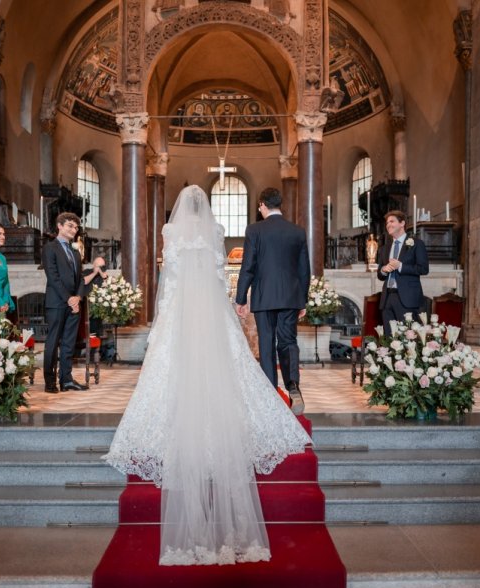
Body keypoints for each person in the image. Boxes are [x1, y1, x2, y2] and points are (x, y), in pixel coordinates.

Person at [104, 185, 310, 566]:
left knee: (171, 367)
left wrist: (164, 315)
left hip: (181, 311)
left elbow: (169, 279)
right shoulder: (215, 231)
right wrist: (229, 306)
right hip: (212, 310)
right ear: (207, 206)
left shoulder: (170, 232)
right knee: (233, 364)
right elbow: (219, 276)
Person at [235, 187, 310, 415]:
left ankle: (270, 395)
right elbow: (304, 270)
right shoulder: (297, 231)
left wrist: (241, 298)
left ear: (262, 205)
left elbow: (248, 266)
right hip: (290, 296)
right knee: (288, 341)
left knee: (266, 344)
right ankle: (293, 387)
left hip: (264, 296)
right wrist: (302, 301)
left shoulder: (255, 230)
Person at [42, 212, 89, 394]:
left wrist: (77, 297)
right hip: (57, 302)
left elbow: (80, 279)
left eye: (76, 227)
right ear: (60, 226)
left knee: (69, 343)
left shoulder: (76, 252)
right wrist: (68, 298)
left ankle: (66, 380)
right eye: (70, 225)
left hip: (74, 304)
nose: (74, 229)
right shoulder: (50, 248)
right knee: (53, 342)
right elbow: (52, 277)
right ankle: (49, 381)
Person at [376, 210, 429, 335]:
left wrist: (401, 266)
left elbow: (423, 269)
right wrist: (383, 270)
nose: (388, 225)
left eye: (392, 221)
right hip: (387, 298)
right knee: (390, 337)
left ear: (402, 223)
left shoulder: (416, 244)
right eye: (387, 222)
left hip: (407, 298)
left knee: (408, 338)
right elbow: (380, 274)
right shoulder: (385, 248)